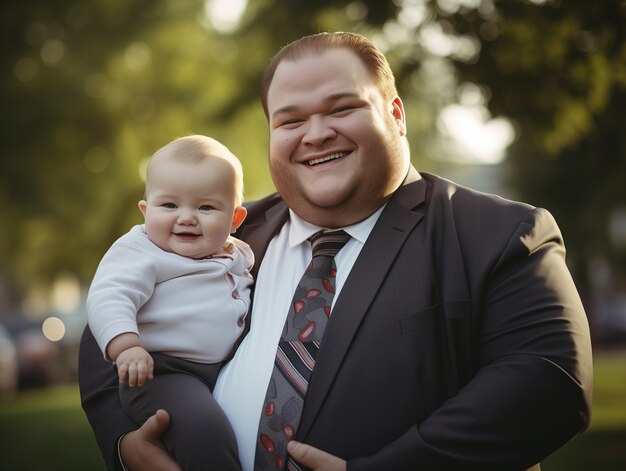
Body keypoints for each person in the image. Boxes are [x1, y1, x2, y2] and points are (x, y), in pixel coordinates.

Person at [79, 32, 593, 471]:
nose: (316, 133)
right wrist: (127, 448)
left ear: (395, 114)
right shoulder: (225, 232)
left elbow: (547, 385)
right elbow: (113, 322)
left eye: (342, 107)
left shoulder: (498, 234)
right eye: (290, 120)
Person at [85, 135, 252, 470]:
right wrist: (127, 347)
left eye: (206, 207)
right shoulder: (141, 250)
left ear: (234, 220)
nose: (187, 217)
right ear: (146, 211)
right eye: (169, 205)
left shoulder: (238, 253)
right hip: (162, 373)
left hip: (219, 372)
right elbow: (109, 295)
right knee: (206, 433)